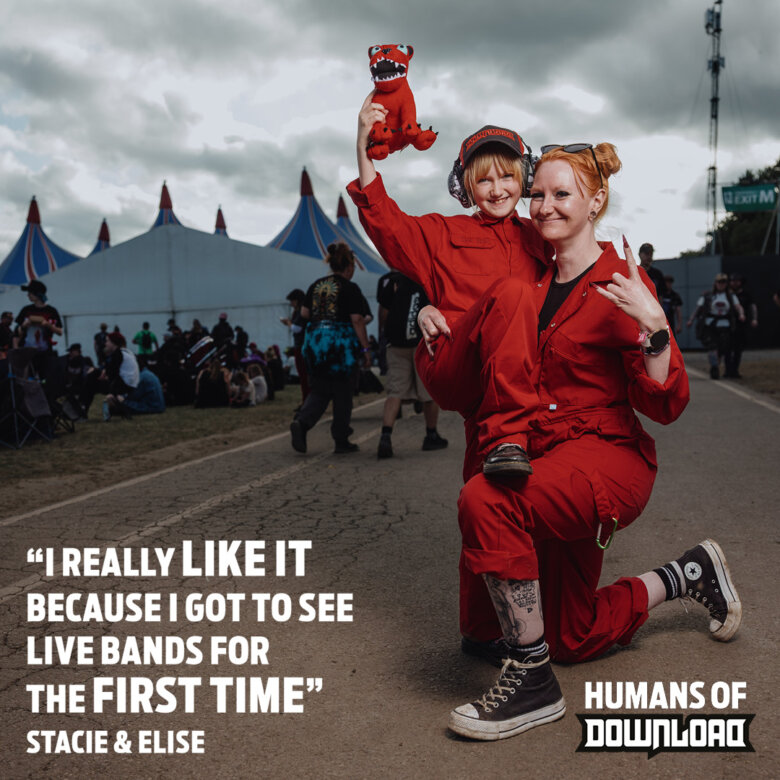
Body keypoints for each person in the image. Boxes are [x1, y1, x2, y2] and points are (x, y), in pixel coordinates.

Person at [421, 143, 741, 742]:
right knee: (570, 635)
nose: (543, 205)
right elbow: (458, 275)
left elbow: (666, 406)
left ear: (596, 201)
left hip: (605, 461)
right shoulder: (527, 274)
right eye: (537, 193)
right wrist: (424, 311)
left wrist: (654, 330)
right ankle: (685, 574)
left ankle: (532, 683)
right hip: (546, 459)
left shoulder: (621, 280)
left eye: (561, 194)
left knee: (486, 500)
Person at [349, 94, 550, 478]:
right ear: (466, 187)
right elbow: (387, 224)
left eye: (507, 176)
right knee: (514, 292)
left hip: (509, 387)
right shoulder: (444, 233)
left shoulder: (542, 238)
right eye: (484, 180)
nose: (497, 189)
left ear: (524, 178)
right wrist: (363, 150)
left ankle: (497, 466)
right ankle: (507, 438)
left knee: (489, 493)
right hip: (454, 360)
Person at [289, 242, 371, 454]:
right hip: (341, 347)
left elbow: (305, 315)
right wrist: (365, 349)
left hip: (315, 345)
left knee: (320, 390)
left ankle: (302, 422)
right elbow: (357, 320)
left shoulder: (316, 285)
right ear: (349, 267)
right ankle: (341, 439)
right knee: (343, 392)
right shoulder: (350, 288)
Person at [375, 270, 448, 458]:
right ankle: (431, 434)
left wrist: (383, 335)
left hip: (396, 342)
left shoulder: (392, 280)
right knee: (428, 391)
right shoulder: (427, 278)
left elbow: (383, 312)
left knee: (395, 391)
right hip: (421, 342)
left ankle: (386, 435)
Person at [686, 272, 744, 379]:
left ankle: (716, 363)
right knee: (712, 347)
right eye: (719, 282)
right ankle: (714, 367)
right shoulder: (708, 296)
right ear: (715, 283)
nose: (721, 284)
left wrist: (741, 314)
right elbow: (698, 309)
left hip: (725, 326)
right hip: (710, 326)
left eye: (723, 282)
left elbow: (738, 306)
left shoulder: (731, 296)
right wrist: (691, 320)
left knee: (722, 348)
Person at [281, 288, 310, 403]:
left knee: (304, 375)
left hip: (302, 346)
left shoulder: (301, 312)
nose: (291, 304)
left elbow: (297, 329)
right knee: (304, 376)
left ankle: (307, 401)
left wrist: (288, 323)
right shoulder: (301, 311)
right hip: (303, 346)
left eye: (292, 301)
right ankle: (306, 400)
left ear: (297, 300)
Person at [727, 273, 758, 378]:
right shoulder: (727, 295)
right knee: (727, 348)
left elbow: (752, 307)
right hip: (727, 325)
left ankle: (735, 370)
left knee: (738, 349)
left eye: (737, 281)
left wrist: (754, 318)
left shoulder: (746, 295)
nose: (734, 283)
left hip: (740, 325)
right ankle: (728, 370)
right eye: (732, 281)